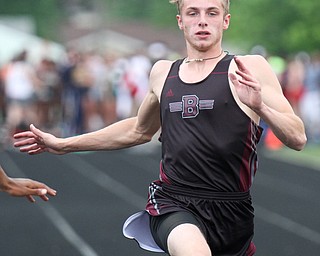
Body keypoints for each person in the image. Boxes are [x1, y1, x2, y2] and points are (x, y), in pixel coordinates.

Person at [13, 0, 307, 255]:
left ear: (225, 21)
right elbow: (138, 130)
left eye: (212, 12)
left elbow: (297, 138)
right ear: (180, 21)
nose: (202, 20)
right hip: (174, 202)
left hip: (233, 210)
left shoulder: (248, 68)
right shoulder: (163, 72)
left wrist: (260, 107)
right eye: (192, 12)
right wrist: (64, 144)